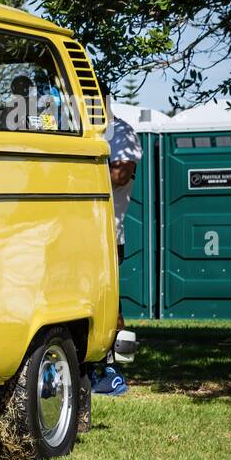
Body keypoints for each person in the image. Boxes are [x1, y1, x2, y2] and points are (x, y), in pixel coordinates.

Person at [91, 81, 142, 396]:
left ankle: (111, 370)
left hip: (107, 236)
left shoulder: (121, 132)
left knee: (109, 304)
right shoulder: (71, 131)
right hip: (67, 236)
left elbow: (120, 174)